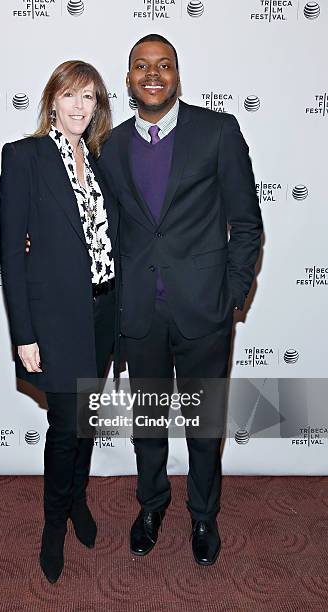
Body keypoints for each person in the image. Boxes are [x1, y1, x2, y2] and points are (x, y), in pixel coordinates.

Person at [98, 34, 263, 565]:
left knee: (204, 426)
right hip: (139, 314)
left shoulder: (218, 132)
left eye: (163, 65)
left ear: (177, 75)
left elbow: (246, 222)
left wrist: (232, 296)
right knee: (146, 423)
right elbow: (104, 227)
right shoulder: (113, 145)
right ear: (128, 80)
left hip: (204, 312)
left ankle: (202, 516)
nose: (152, 74)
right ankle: (151, 505)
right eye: (141, 67)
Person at [0, 60, 118, 583]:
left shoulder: (101, 161)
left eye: (88, 97)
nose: (78, 106)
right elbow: (11, 254)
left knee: (86, 422)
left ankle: (77, 502)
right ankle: (54, 524)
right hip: (56, 319)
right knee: (65, 428)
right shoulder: (24, 157)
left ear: (97, 107)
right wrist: (23, 334)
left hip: (104, 311)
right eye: (69, 95)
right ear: (52, 101)